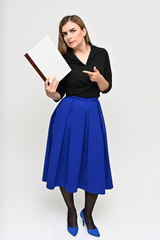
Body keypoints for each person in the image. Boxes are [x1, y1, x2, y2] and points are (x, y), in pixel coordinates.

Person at [42, 15, 113, 237]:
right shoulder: (62, 59)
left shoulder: (101, 54)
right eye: (64, 33)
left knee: (94, 164)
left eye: (72, 30)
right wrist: (50, 92)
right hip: (68, 114)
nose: (68, 36)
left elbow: (106, 87)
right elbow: (58, 94)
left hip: (92, 113)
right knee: (66, 163)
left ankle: (88, 214)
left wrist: (98, 78)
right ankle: (72, 212)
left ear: (83, 30)